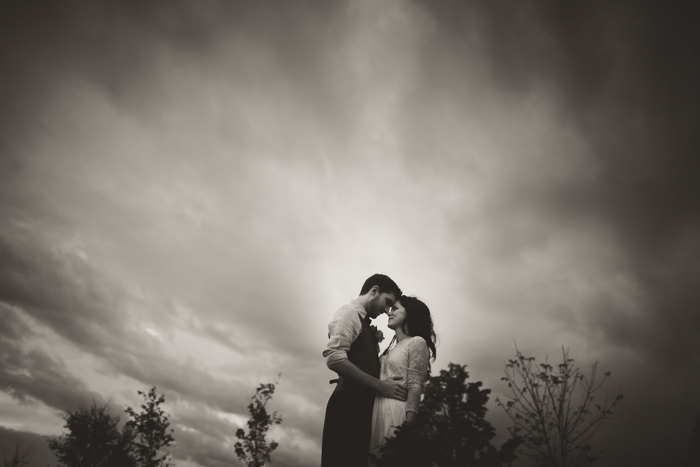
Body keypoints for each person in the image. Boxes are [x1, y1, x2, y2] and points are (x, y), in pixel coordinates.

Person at [322, 274, 407, 467]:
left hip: (359, 410)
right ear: (374, 291)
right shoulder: (349, 313)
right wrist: (380, 386)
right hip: (346, 408)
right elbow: (334, 358)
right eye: (387, 303)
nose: (387, 311)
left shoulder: (364, 322)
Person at [368, 295, 437, 461]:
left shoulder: (416, 343)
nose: (389, 313)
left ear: (410, 314)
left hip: (396, 410)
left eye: (396, 308)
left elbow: (415, 386)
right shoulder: (389, 349)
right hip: (376, 410)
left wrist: (407, 429)